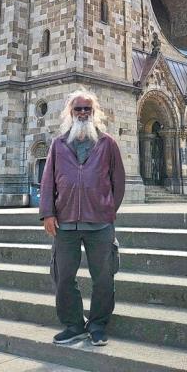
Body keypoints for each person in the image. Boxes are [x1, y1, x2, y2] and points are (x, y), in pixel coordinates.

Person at [40, 89, 125, 348]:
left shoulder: (107, 142)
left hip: (99, 222)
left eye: (87, 109)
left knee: (103, 277)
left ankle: (97, 325)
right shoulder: (59, 143)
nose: (83, 113)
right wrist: (47, 213)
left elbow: (118, 182)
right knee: (63, 276)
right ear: (70, 112)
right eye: (78, 109)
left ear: (94, 112)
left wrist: (109, 209)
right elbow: (47, 181)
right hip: (65, 222)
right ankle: (74, 325)